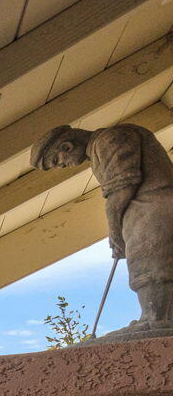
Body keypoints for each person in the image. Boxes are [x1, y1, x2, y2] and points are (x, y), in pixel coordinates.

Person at [35, 123, 173, 335]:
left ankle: (155, 318)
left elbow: (121, 188)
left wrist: (115, 234)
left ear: (66, 146)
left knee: (148, 261)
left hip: (154, 204)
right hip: (149, 205)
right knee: (151, 261)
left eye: (56, 160)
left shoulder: (109, 139)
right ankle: (159, 317)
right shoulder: (99, 146)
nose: (61, 166)